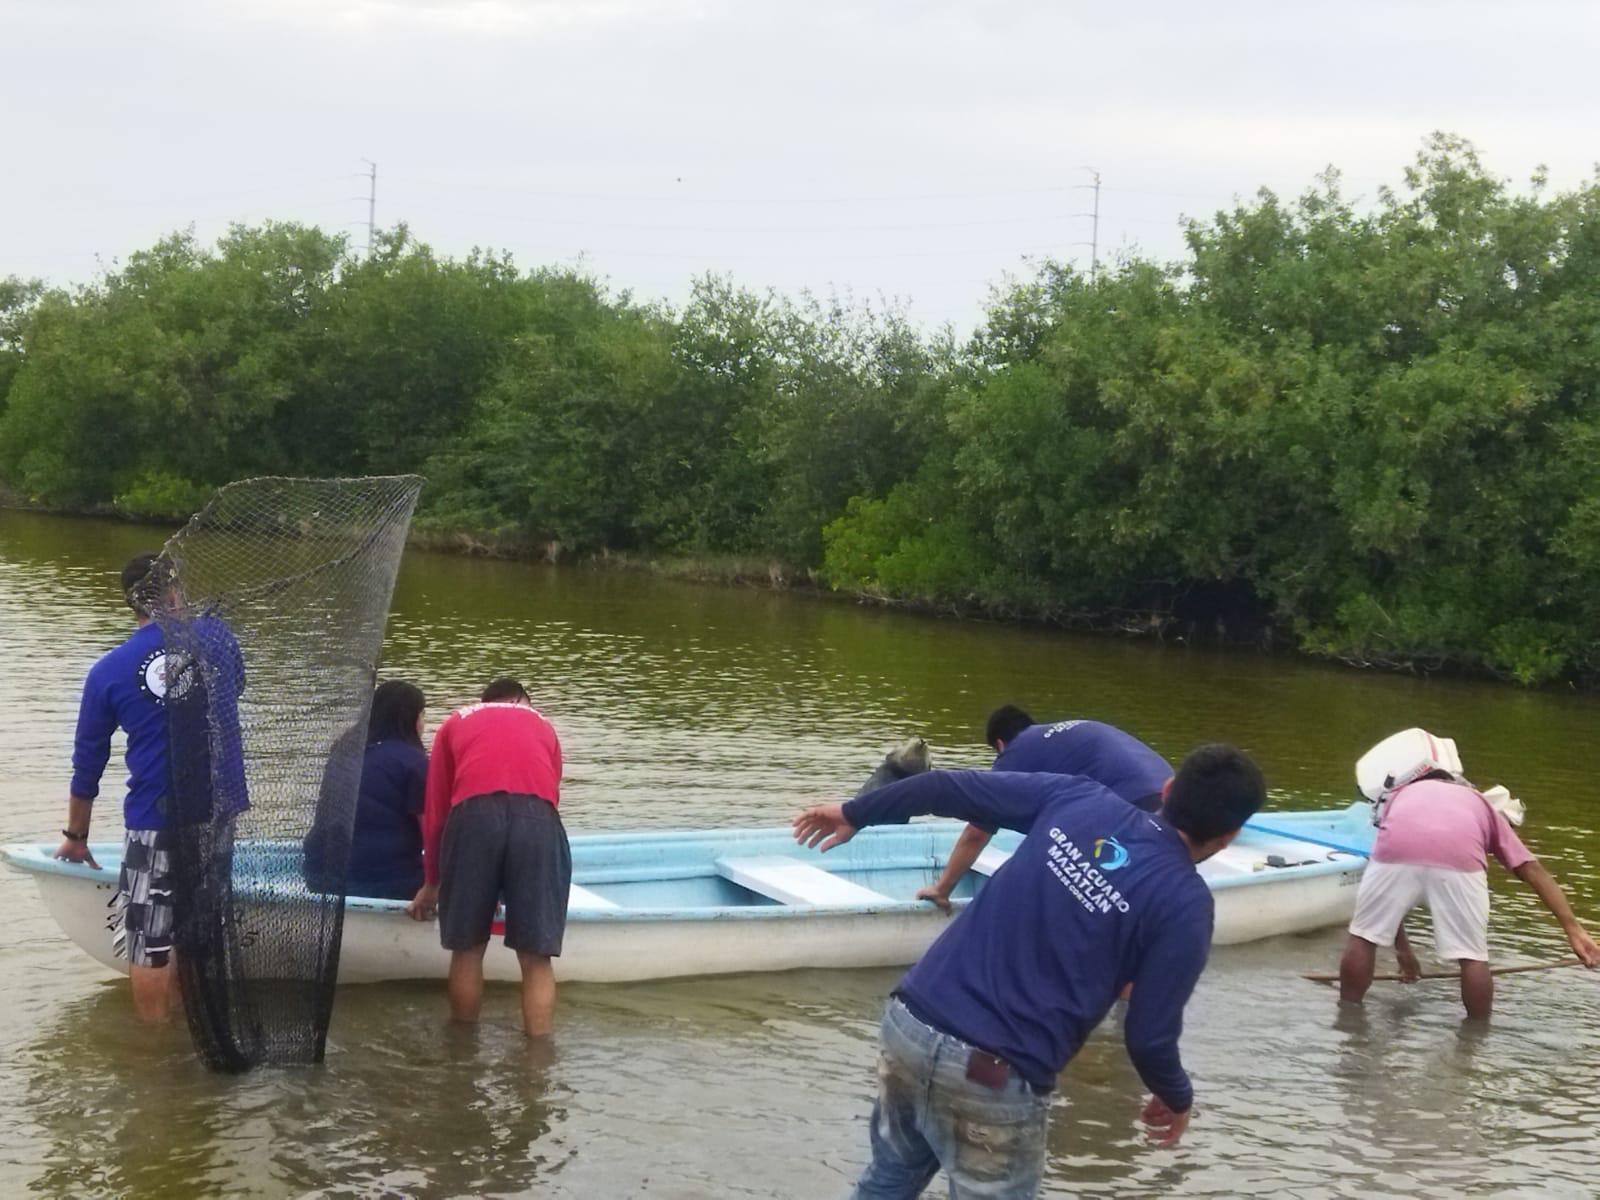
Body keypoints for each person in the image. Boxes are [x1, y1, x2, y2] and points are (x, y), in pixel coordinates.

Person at [793, 745, 1266, 1198]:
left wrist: (856, 812)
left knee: (887, 1182)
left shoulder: (1080, 797)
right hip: (992, 1075)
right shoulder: (1185, 906)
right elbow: (1148, 1034)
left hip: (909, 1025)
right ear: (1229, 836)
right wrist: (1176, 1096)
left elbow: (945, 787)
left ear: (1167, 790)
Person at [56, 552, 246, 1022]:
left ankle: (152, 1057)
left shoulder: (108, 670)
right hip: (217, 812)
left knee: (148, 943)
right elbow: (233, 689)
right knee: (197, 933)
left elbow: (87, 766)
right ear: (175, 590)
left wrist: (77, 837)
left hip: (154, 820)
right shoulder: (219, 638)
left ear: (131, 604)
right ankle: (193, 1037)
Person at [1338, 771, 1600, 1019]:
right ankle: (1475, 1042)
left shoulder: (1400, 795)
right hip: (1460, 859)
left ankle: (1347, 1019)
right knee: (1473, 957)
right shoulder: (1481, 804)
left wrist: (1403, 952)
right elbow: (1531, 869)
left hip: (1394, 853)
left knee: (1364, 936)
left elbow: (1393, 889)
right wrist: (1573, 929)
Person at [406, 678, 568, 1037]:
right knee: (535, 958)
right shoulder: (542, 722)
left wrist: (432, 884)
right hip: (538, 819)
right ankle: (537, 1066)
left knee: (468, 948)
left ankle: (462, 1053)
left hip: (473, 818)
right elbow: (550, 794)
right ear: (521, 701)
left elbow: (436, 813)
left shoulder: (455, 721)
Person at [916, 705, 1173, 912]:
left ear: (1000, 744)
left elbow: (977, 832)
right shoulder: (1057, 738)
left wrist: (943, 888)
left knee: (1082, 880)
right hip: (1170, 792)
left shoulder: (1015, 753)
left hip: (1136, 801)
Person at [305, 681, 429, 901]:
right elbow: (430, 832)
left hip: (318, 873)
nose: (424, 724)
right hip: (384, 881)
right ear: (411, 718)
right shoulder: (414, 761)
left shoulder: (344, 748)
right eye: (422, 715)